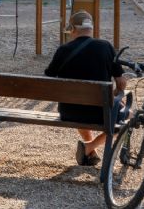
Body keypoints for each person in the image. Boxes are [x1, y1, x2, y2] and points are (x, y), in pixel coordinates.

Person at [44, 10, 127, 166]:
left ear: (73, 29)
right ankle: (90, 146)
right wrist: (116, 95)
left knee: (80, 105)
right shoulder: (106, 47)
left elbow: (49, 77)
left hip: (69, 111)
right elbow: (121, 82)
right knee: (126, 116)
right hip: (99, 113)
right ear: (92, 29)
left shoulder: (63, 49)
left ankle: (89, 151)